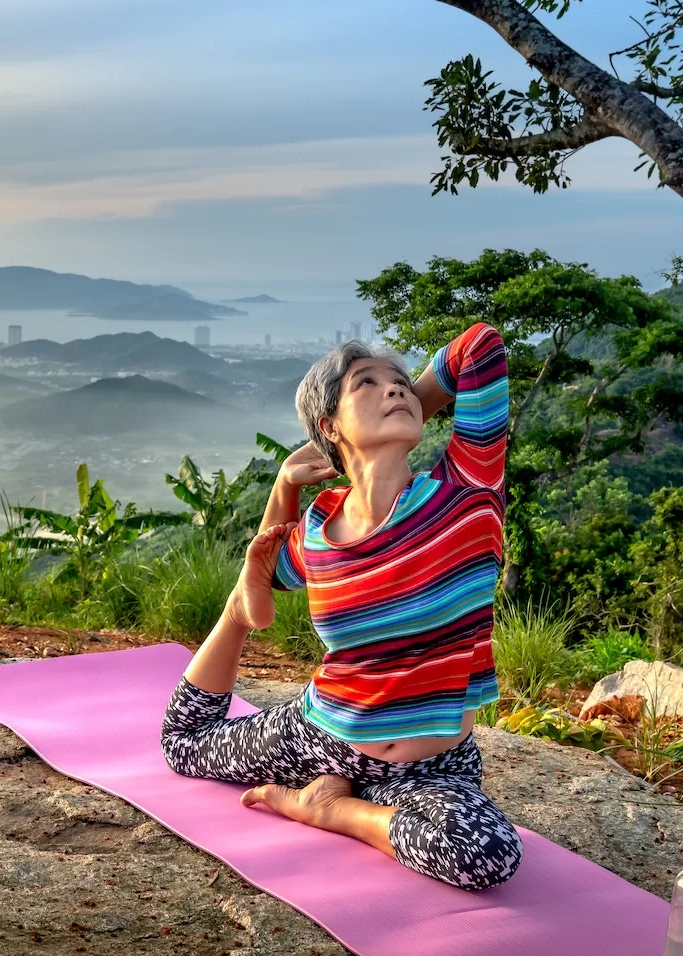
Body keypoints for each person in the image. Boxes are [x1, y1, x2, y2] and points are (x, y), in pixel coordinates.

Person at [159, 322, 522, 890]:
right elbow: (265, 574)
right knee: (182, 744)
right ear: (328, 424)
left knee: (486, 853)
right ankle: (346, 789)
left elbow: (480, 348)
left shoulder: (465, 493)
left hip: (428, 768)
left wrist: (402, 408)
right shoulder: (318, 531)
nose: (394, 389)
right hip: (320, 734)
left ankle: (333, 810)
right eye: (367, 384)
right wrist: (285, 484)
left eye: (400, 381)